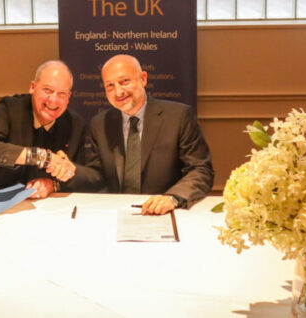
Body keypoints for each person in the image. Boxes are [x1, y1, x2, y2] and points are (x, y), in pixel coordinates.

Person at [88, 54, 213, 215]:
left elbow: (201, 170)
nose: (118, 92)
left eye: (124, 81)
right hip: (115, 212)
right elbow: (96, 177)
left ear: (143, 79)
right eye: (110, 85)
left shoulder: (178, 117)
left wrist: (172, 198)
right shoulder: (99, 124)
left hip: (164, 212)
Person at [0, 60, 103, 198]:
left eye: (62, 93)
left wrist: (54, 184)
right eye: (47, 90)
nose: (53, 100)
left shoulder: (75, 124)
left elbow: (90, 177)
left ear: (68, 97)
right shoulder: (10, 108)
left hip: (45, 205)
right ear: (32, 87)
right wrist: (41, 157)